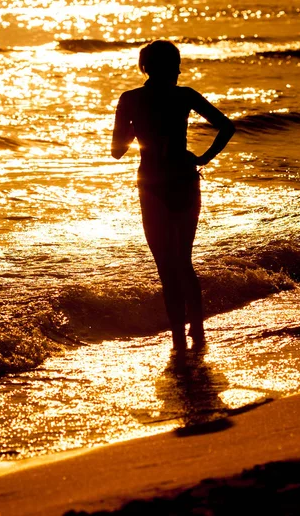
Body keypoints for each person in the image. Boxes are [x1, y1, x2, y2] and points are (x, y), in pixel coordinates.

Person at [111, 40, 235, 352]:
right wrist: (203, 158)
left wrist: (136, 131)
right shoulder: (185, 96)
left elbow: (116, 152)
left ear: (145, 67)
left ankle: (179, 338)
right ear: (164, 67)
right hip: (183, 178)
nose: (179, 70)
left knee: (166, 266)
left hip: (152, 184)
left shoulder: (130, 99)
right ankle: (197, 330)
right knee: (184, 261)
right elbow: (227, 127)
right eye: (176, 64)